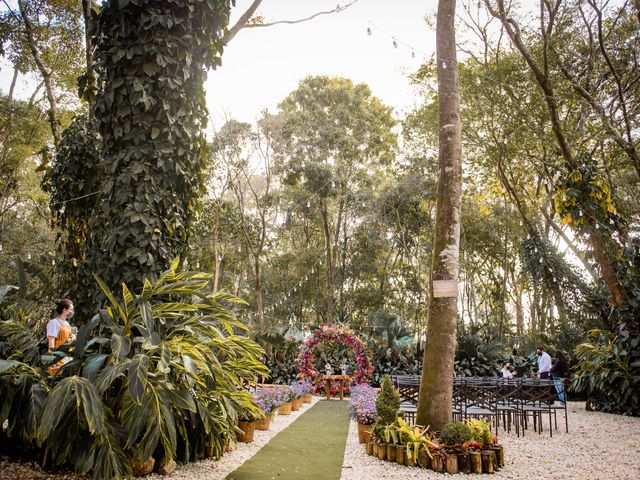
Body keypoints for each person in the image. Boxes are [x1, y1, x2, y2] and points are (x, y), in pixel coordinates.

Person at [46, 299, 76, 375]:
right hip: (58, 357)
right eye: (71, 309)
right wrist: (53, 360)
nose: (72, 312)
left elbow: (68, 339)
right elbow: (51, 342)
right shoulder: (54, 323)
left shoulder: (67, 324)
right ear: (64, 310)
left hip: (67, 357)